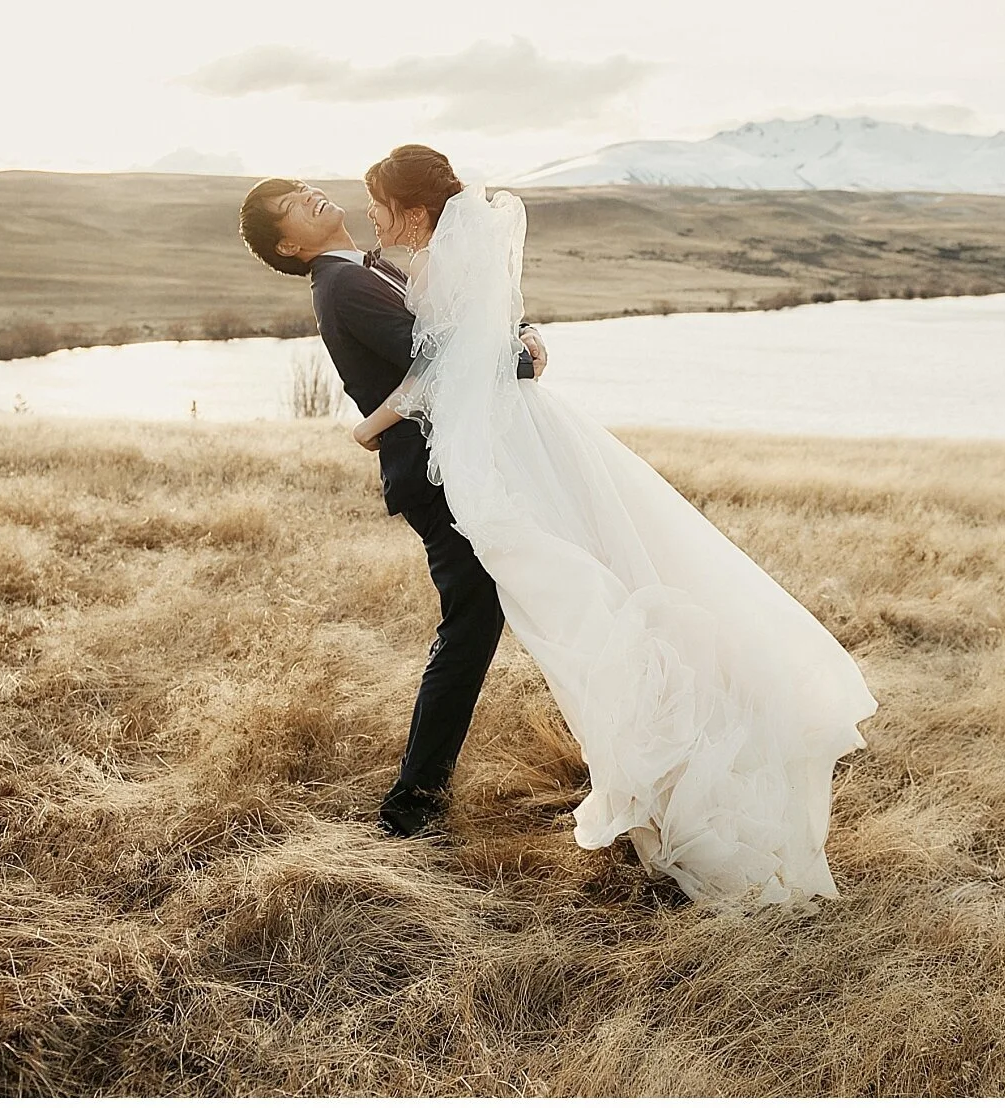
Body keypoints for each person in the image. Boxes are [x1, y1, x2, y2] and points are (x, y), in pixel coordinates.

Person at [349, 145, 879, 910]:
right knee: (585, 606)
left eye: (377, 202)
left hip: (499, 463)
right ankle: (657, 793)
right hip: (517, 442)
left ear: (414, 210)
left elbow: (452, 368)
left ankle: (677, 790)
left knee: (584, 617)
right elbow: (502, 343)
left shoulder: (435, 267)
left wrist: (372, 428)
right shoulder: (451, 256)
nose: (370, 216)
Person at [237, 169, 548, 838]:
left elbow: (455, 326)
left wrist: (521, 329)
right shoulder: (343, 285)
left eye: (298, 186)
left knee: (491, 615)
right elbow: (439, 363)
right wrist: (519, 360)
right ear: (290, 248)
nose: (307, 195)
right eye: (290, 206)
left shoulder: (369, 267)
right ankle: (411, 806)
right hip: (437, 478)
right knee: (469, 629)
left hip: (459, 462)